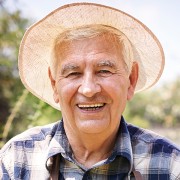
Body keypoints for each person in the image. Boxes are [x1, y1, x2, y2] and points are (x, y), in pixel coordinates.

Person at [0, 2, 179, 180]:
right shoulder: (17, 160)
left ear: (131, 80)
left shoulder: (170, 165)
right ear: (54, 84)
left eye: (104, 71)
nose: (88, 89)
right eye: (73, 73)